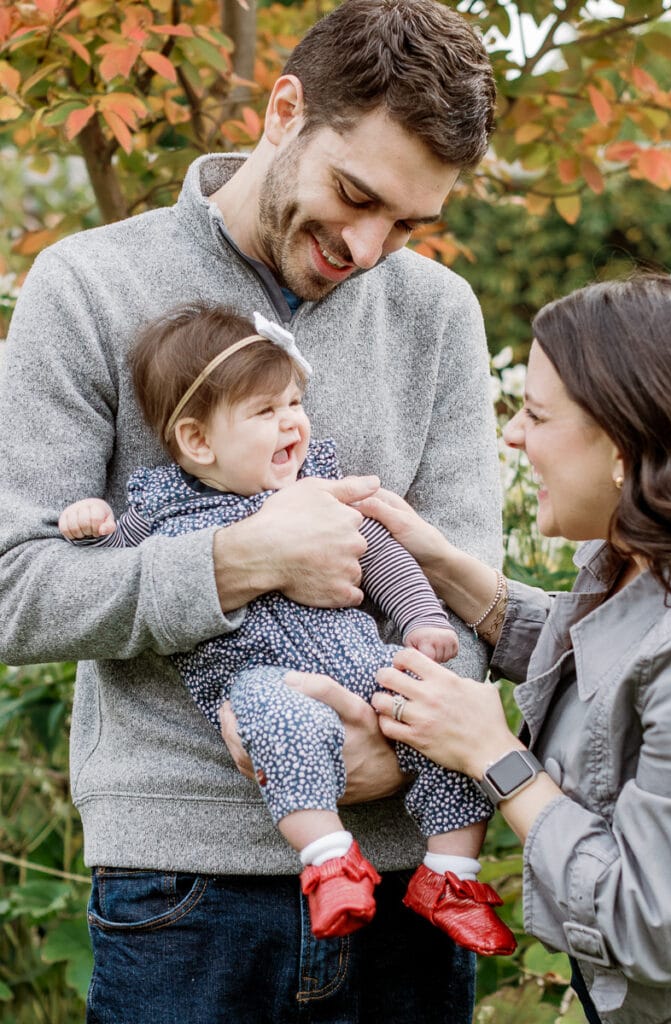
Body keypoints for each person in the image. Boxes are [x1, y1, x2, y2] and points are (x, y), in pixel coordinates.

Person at [0, 0, 501, 1019]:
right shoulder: (89, 285)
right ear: (284, 109)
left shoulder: (436, 313)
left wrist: (388, 738)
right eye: (353, 194)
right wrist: (241, 560)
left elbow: (466, 593)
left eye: (405, 223)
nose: (367, 247)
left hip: (412, 887)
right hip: (181, 894)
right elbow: (15, 586)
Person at [58, 303, 515, 953]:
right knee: (279, 721)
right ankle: (329, 859)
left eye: (295, 402)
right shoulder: (158, 508)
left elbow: (384, 557)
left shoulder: (321, 489)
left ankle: (450, 875)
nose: (292, 421)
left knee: (442, 720)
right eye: (265, 412)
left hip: (361, 657)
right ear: (197, 441)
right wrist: (89, 527)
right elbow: (102, 589)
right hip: (257, 677)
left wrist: (420, 621)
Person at [297, 275, 671, 1024]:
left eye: (535, 416)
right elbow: (613, 670)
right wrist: (442, 566)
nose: (511, 436)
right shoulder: (633, 573)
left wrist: (495, 758)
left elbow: (652, 926)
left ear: (623, 446)